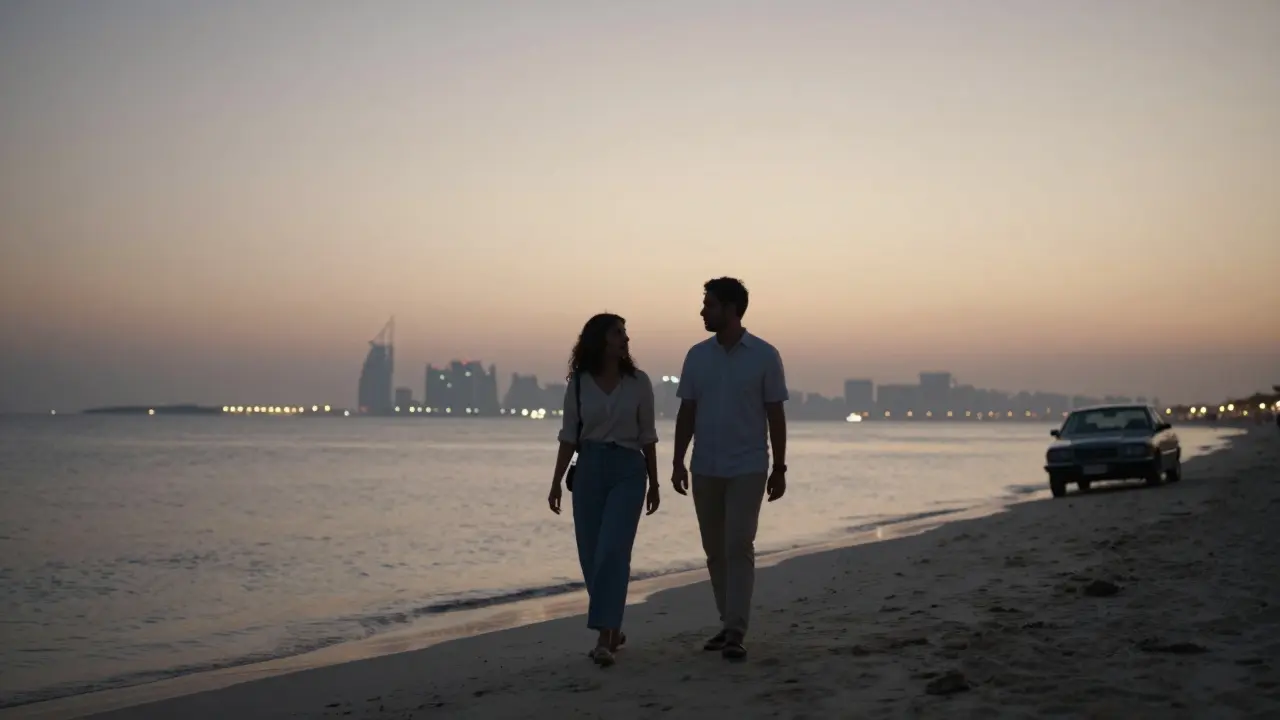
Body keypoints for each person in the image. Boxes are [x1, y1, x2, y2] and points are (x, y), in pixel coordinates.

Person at [671, 277, 788, 661]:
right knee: (714, 551)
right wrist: (676, 461)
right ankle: (727, 622)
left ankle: (736, 630)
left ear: (731, 309)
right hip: (704, 465)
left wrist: (780, 468)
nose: (703, 311)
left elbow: (775, 414)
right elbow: (687, 411)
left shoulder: (765, 356)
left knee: (738, 544)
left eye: (710, 304)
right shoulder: (696, 356)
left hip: (748, 465)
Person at [548, 313, 661, 667]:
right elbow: (569, 435)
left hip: (629, 469)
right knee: (591, 555)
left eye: (625, 333)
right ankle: (613, 625)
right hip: (590, 470)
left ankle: (604, 637)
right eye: (618, 333)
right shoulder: (579, 384)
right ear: (600, 339)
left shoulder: (639, 382)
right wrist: (555, 481)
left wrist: (655, 482)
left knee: (613, 550)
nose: (625, 338)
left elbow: (648, 436)